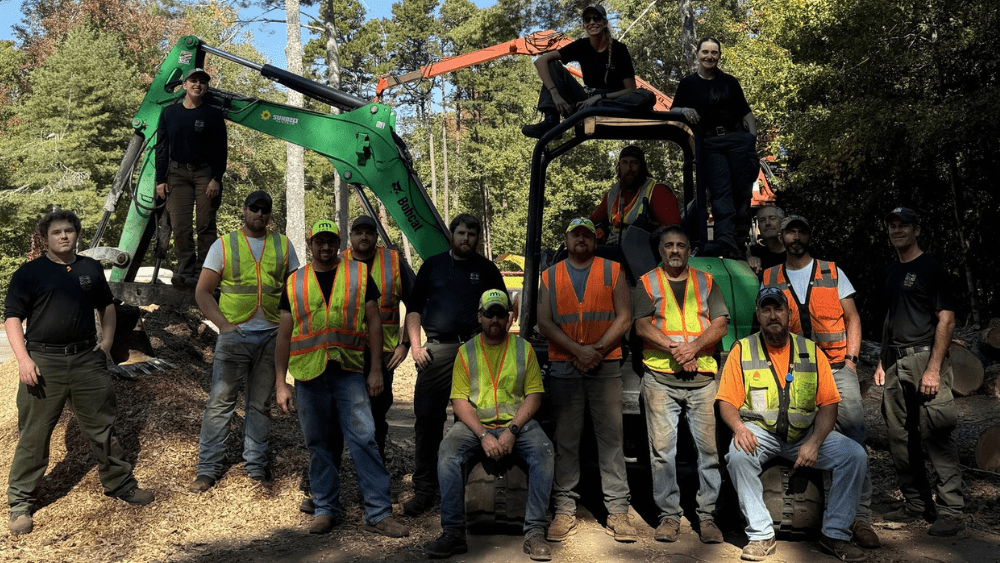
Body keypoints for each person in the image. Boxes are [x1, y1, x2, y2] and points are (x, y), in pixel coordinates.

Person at [5, 210, 154, 536]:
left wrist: (109, 340)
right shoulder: (29, 274)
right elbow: (13, 319)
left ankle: (120, 484)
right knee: (33, 435)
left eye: (69, 231)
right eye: (57, 232)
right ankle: (20, 503)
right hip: (44, 364)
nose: (64, 236)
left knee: (103, 427)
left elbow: (107, 305)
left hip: (87, 360)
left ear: (76, 235)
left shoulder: (89, 269)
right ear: (46, 237)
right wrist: (23, 360)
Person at [274, 220, 409, 538]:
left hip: (348, 372)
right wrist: (281, 382)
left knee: (364, 439)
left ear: (339, 242)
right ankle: (325, 509)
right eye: (319, 242)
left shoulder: (359, 274)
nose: (325, 247)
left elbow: (374, 322)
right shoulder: (295, 281)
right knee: (319, 443)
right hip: (308, 375)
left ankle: (378, 512)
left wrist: (375, 368)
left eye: (331, 241)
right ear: (310, 244)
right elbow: (283, 335)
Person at [717, 287, 867, 562]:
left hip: (805, 434)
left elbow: (829, 404)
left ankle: (834, 534)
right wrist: (739, 428)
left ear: (789, 314)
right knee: (737, 456)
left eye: (779, 309)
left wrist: (814, 442)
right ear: (758, 315)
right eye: (766, 309)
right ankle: (761, 535)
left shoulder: (811, 351)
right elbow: (726, 400)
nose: (773, 315)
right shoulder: (742, 350)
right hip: (761, 433)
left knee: (854, 455)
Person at [761, 214, 877, 548]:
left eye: (802, 231)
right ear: (781, 236)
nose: (796, 236)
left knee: (854, 437)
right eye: (790, 231)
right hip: (797, 371)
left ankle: (861, 518)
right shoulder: (769, 275)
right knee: (807, 438)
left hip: (839, 369)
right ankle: (817, 511)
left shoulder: (831, 271)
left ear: (808, 236)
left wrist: (853, 361)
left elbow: (852, 317)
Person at [424, 290, 554, 561]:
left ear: (509, 318)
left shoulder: (524, 348)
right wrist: (483, 435)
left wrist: (512, 432)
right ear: (479, 317)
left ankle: (535, 532)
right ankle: (453, 533)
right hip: (476, 426)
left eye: (501, 313)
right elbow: (459, 402)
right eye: (489, 313)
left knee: (544, 451)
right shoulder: (465, 352)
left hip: (517, 424)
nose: (495, 319)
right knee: (448, 452)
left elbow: (534, 396)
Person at [188, 190, 299, 492]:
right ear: (244, 210)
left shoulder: (284, 246)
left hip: (272, 337)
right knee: (219, 404)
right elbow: (202, 292)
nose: (259, 214)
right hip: (235, 335)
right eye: (254, 208)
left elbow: (296, 291)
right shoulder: (224, 245)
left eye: (265, 210)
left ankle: (256, 467)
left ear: (270, 214)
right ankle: (207, 470)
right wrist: (223, 326)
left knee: (260, 405)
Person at [537, 218, 635, 543]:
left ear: (595, 241)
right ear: (565, 240)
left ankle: (618, 511)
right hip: (566, 365)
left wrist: (596, 350)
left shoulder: (613, 270)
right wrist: (579, 350)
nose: (581, 239)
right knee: (566, 440)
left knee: (611, 440)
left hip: (604, 366)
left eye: (587, 235)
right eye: (575, 235)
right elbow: (545, 322)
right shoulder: (550, 276)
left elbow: (625, 315)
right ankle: (564, 510)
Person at [404, 214, 507, 516]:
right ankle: (425, 489)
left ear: (478, 238)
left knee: (476, 419)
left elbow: (502, 312)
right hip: (438, 350)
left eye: (472, 234)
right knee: (427, 419)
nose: (466, 239)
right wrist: (415, 346)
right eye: (461, 232)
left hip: (477, 348)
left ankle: (468, 486)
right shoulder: (433, 266)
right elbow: (413, 310)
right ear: (451, 234)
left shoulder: (487, 270)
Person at [633, 225, 728, 543]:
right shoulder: (647, 282)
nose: (675, 250)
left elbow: (720, 323)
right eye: (669, 245)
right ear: (660, 250)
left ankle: (707, 517)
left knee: (709, 453)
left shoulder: (707, 281)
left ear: (690, 251)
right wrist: (678, 349)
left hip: (702, 381)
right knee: (662, 452)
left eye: (682, 245)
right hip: (660, 379)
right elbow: (642, 327)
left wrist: (695, 348)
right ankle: (669, 517)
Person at [874, 207, 964, 536]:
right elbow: (890, 319)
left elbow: (947, 320)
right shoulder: (892, 272)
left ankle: (952, 510)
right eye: (892, 225)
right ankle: (915, 503)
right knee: (899, 437)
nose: (897, 231)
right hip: (896, 363)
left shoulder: (932, 269)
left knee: (936, 434)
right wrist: (883, 361)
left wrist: (933, 369)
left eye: (904, 226)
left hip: (926, 359)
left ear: (917, 230)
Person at [671, 38, 759, 257]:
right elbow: (673, 110)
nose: (709, 56)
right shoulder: (688, 84)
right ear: (697, 54)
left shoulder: (729, 82)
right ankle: (726, 243)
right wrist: (683, 110)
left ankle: (739, 244)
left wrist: (752, 140)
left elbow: (746, 113)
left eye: (714, 52)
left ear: (719, 56)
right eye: (705, 52)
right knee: (721, 193)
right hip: (710, 143)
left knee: (742, 192)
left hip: (738, 140)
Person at [522, 4, 655, 138]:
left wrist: (600, 98)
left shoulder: (619, 49)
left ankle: (598, 107)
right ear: (584, 25)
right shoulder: (581, 45)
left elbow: (631, 89)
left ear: (604, 22)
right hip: (585, 100)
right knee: (553, 64)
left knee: (647, 96)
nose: (592, 22)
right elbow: (541, 61)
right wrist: (555, 94)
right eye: (587, 19)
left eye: (596, 18)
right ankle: (551, 122)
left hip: (613, 102)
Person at [154, 67, 228, 288]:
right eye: (193, 80)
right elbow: (161, 148)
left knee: (205, 224)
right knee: (180, 225)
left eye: (202, 82)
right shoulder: (169, 113)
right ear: (184, 85)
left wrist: (216, 178)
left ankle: (203, 273)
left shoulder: (212, 114)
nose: (198, 84)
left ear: (206, 87)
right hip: (176, 174)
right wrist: (161, 179)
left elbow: (220, 149)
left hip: (205, 173)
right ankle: (184, 270)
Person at [589, 146, 681, 245]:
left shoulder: (658, 192)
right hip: (613, 248)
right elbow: (591, 221)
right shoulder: (612, 194)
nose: (629, 168)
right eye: (625, 163)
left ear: (642, 167)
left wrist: (643, 236)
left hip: (642, 252)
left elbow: (674, 230)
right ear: (619, 167)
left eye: (634, 163)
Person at [746, 205, 785, 276]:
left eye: (772, 218)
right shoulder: (755, 252)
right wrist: (748, 258)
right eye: (762, 220)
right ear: (759, 227)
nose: (767, 223)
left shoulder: (795, 254)